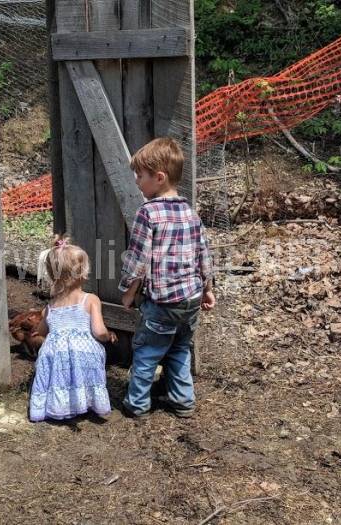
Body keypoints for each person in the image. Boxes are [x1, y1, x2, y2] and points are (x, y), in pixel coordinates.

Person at [119, 137, 215, 419]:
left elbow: (138, 259)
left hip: (162, 303)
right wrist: (208, 289)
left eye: (140, 175)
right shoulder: (190, 213)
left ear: (159, 178)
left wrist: (127, 291)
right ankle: (183, 401)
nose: (137, 180)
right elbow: (204, 255)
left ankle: (137, 404)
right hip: (191, 300)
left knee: (147, 352)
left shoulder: (148, 213)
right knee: (180, 349)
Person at [29, 235, 117, 422]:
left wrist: (42, 335)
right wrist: (108, 335)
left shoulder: (50, 306)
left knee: (58, 364)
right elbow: (98, 332)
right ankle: (86, 401)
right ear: (80, 274)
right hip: (82, 352)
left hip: (55, 353)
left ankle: (58, 405)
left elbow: (41, 332)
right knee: (86, 355)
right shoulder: (90, 299)